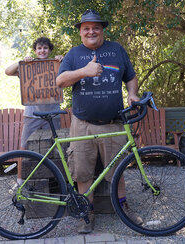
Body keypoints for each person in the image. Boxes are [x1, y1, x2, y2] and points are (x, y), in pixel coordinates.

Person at [56, 10, 142, 233]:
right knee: (82, 172)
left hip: (114, 123)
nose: (91, 31)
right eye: (86, 28)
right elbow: (60, 81)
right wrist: (84, 71)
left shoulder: (116, 50)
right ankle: (87, 213)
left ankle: (124, 208)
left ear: (102, 30)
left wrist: (133, 94)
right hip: (82, 123)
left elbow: (130, 76)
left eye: (95, 27)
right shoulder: (73, 54)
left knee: (118, 170)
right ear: (80, 32)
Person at [5, 37, 63, 183]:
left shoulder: (56, 65)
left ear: (49, 50)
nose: (42, 50)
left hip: (53, 114)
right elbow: (8, 71)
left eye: (45, 48)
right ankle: (20, 179)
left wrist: (60, 60)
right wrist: (22, 62)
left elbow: (70, 75)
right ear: (35, 51)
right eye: (39, 48)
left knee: (56, 148)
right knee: (24, 147)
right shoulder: (28, 67)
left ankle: (57, 181)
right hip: (32, 115)